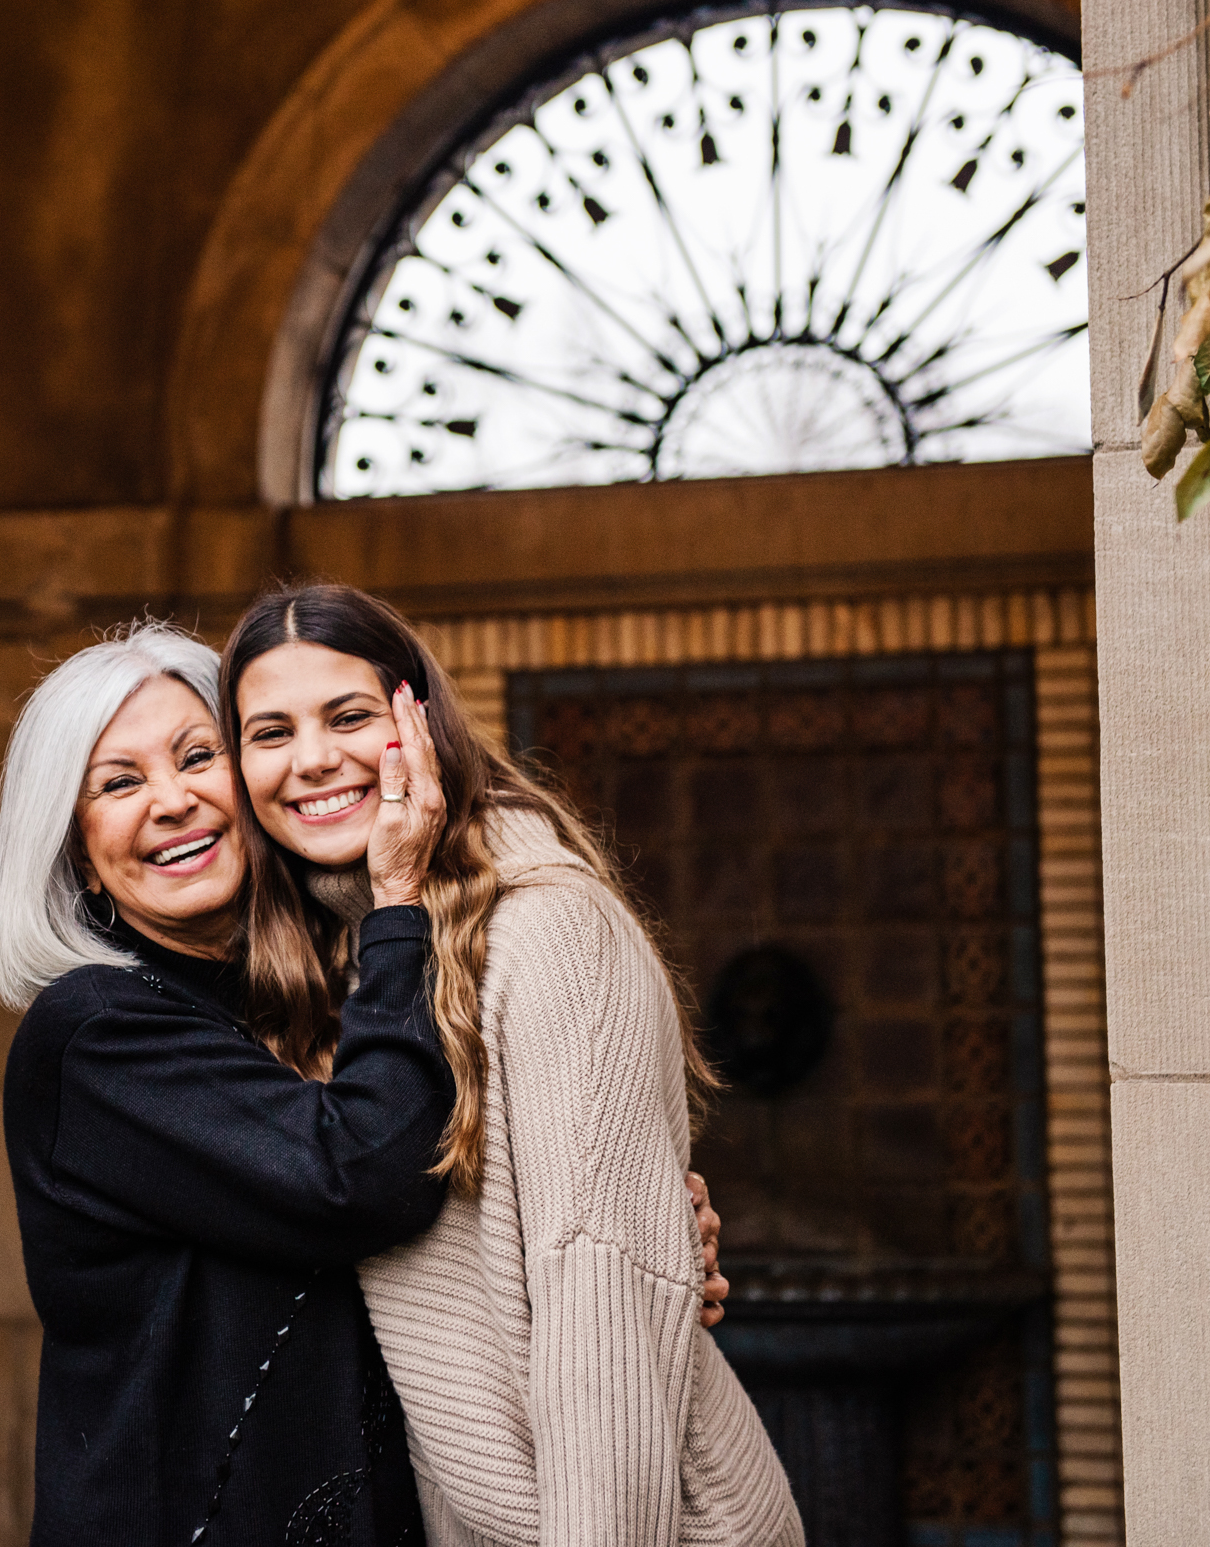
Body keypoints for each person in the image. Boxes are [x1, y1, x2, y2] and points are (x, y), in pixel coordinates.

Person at [223, 584, 803, 1547]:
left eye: (350, 716)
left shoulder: (548, 931)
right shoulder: (336, 969)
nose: (314, 757)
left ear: (419, 719)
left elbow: (602, 1295)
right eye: (269, 731)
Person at [0, 621, 453, 1547]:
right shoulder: (95, 1035)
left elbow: (437, 1165)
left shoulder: (313, 996)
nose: (173, 801)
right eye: (118, 783)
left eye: (200, 756)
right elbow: (358, 1174)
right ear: (76, 848)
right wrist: (400, 902)